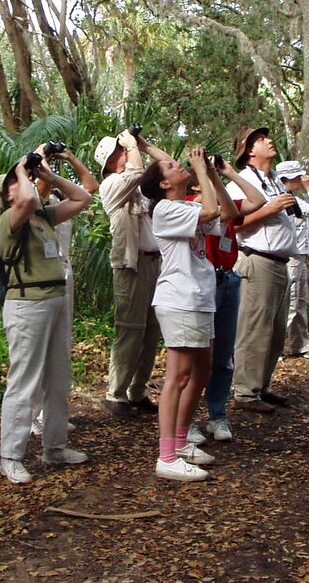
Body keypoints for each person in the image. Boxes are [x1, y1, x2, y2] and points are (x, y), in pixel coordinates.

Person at [0, 154, 93, 484]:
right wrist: (21, 168)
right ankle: (11, 456)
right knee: (25, 381)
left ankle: (55, 447)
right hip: (27, 305)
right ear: (8, 195)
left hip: (55, 301)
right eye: (16, 184)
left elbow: (83, 197)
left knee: (59, 377)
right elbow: (29, 197)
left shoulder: (43, 218)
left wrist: (48, 173)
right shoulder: (9, 221)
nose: (28, 184)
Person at [140, 148, 240, 481]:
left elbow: (224, 213)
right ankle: (166, 456)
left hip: (200, 297)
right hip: (179, 298)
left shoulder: (185, 206)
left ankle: (181, 442)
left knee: (202, 370)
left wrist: (211, 175)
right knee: (178, 377)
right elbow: (211, 209)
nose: (177, 163)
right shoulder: (165, 209)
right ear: (165, 184)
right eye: (170, 166)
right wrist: (198, 169)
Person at [184, 159, 267, 445]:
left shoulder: (223, 201)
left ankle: (217, 414)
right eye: (203, 175)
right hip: (202, 284)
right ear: (195, 181)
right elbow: (209, 208)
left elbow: (257, 200)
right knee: (195, 358)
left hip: (228, 279)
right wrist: (204, 175)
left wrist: (227, 172)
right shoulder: (191, 205)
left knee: (223, 357)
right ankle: (187, 420)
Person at [94, 128, 175, 416]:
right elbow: (136, 173)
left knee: (152, 331)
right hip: (132, 265)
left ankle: (138, 391)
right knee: (130, 330)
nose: (127, 153)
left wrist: (144, 145)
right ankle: (116, 394)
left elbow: (170, 168)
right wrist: (131, 146)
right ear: (112, 161)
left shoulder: (140, 187)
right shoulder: (112, 185)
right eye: (121, 151)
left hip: (155, 264)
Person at [228, 126, 299, 413]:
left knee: (275, 330)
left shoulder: (274, 180)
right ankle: (245, 391)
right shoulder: (241, 182)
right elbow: (232, 224)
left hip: (280, 262)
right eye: (260, 139)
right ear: (248, 151)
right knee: (254, 328)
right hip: (257, 260)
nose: (269, 141)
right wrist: (268, 210)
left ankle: (263, 384)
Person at [30, 144, 99, 438]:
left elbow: (90, 187)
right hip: (42, 276)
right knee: (40, 347)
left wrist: (69, 157)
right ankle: (32, 415)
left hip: (64, 272)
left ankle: (50, 413)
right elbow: (42, 182)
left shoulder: (61, 197)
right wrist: (41, 154)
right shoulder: (34, 200)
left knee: (60, 345)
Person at [275, 161, 309, 359]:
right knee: (291, 301)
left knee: (298, 301)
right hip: (291, 255)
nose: (301, 181)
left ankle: (299, 344)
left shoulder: (294, 199)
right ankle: (280, 347)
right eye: (297, 178)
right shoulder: (286, 199)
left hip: (300, 254)